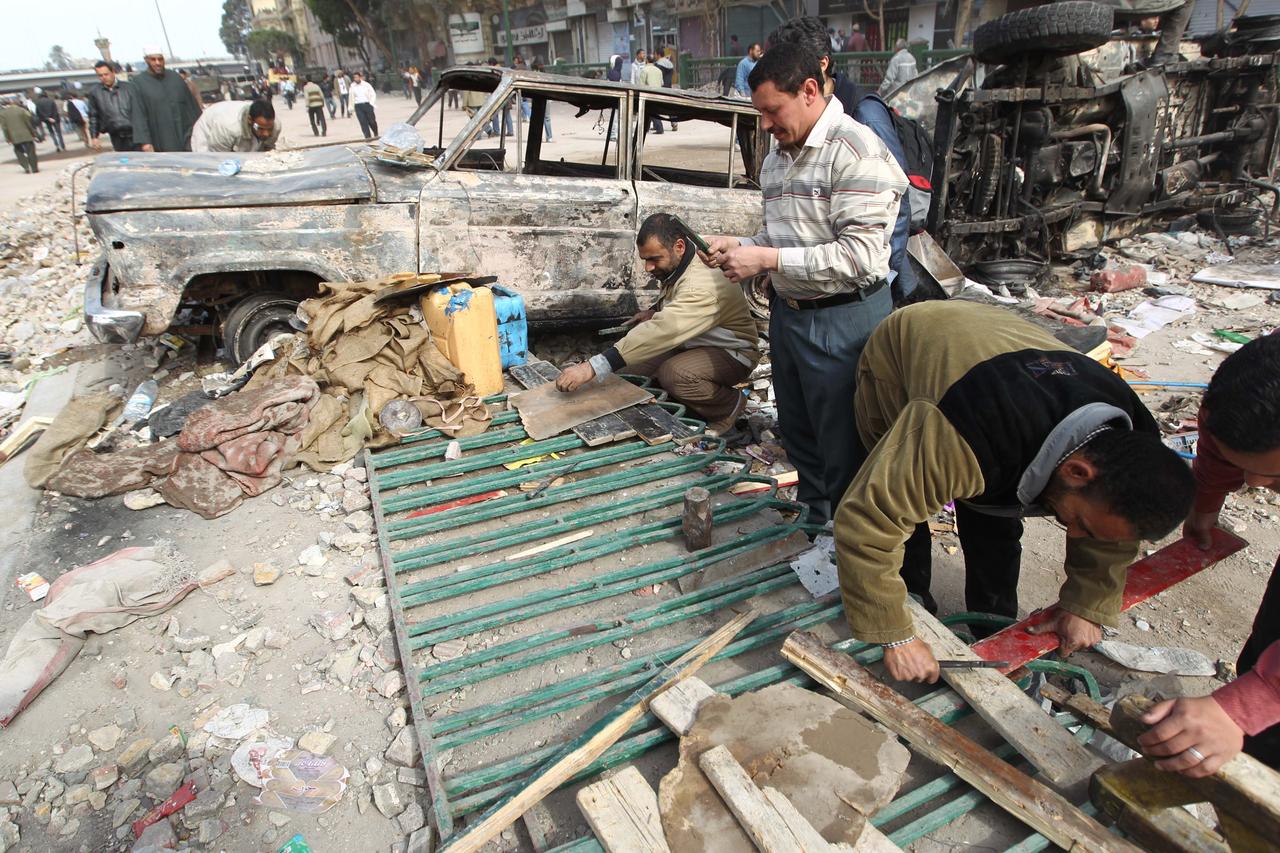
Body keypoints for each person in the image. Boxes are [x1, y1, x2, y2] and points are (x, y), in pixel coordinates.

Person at [836, 300, 1196, 683]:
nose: (1074, 535)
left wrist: (1087, 604)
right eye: (1079, 524)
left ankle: (991, 624)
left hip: (1001, 350)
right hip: (908, 347)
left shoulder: (1132, 435)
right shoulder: (962, 427)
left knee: (996, 513)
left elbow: (1112, 528)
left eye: (1084, 532)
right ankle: (915, 602)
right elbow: (871, 520)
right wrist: (896, 636)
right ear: (1077, 471)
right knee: (905, 504)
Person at [702, 45, 906, 528]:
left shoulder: (856, 151)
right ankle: (817, 527)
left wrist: (765, 258)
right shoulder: (778, 159)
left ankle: (854, 546)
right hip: (791, 314)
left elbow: (858, 257)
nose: (767, 125)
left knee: (846, 443)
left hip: (845, 317)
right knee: (800, 431)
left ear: (809, 91)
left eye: (773, 110)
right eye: (761, 113)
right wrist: (742, 245)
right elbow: (783, 237)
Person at [1137, 333, 1280, 777]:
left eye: (1274, 473)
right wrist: (1206, 504)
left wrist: (1247, 705)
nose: (1255, 484)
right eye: (1247, 467)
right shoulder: (1242, 400)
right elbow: (1221, 443)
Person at [556, 213, 760, 437]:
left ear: (679, 247)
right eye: (645, 259)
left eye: (654, 259)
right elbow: (675, 301)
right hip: (691, 341)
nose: (647, 268)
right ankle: (680, 400)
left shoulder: (701, 285)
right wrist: (654, 311)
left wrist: (592, 367)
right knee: (627, 371)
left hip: (732, 352)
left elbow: (663, 329)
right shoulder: (686, 257)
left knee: (675, 374)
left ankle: (727, 407)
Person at [771, 17, 916, 303]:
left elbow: (896, 208)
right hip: (810, 287)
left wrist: (882, 281)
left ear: (822, 65)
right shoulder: (793, 120)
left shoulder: (863, 118)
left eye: (784, 66)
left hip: (853, 296)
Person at [129, 46, 202, 152]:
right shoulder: (138, 83)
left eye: (160, 59)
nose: (157, 63)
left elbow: (191, 107)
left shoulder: (176, 78)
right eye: (153, 59)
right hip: (161, 139)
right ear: (146, 60)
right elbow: (138, 115)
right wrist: (145, 142)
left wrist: (201, 129)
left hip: (186, 136)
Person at [190, 99, 281, 152]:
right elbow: (218, 157)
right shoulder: (228, 127)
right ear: (250, 120)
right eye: (260, 128)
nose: (266, 133)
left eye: (269, 129)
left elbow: (267, 149)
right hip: (209, 132)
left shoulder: (275, 126)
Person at [88, 60, 137, 151]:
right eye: (100, 75)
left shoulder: (129, 88)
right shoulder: (95, 93)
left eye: (106, 74)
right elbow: (93, 116)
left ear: (113, 72)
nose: (104, 77)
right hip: (116, 136)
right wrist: (94, 136)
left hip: (136, 134)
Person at [1, 96, 38, 173]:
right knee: (31, 151)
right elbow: (28, 122)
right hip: (26, 134)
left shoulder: (3, 113)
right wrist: (33, 133)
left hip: (14, 136)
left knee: (18, 151)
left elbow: (4, 127)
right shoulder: (22, 110)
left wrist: (8, 138)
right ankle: (34, 167)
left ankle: (25, 166)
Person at [639, 54, 665, 135]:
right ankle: (646, 128)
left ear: (647, 60)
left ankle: (660, 128)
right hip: (658, 93)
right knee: (650, 111)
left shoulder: (644, 70)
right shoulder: (659, 71)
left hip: (648, 93)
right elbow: (662, 83)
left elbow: (641, 85)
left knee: (652, 111)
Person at [350, 71, 379, 140]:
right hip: (358, 105)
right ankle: (367, 136)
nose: (356, 79)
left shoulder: (366, 85)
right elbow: (350, 98)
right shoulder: (352, 86)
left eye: (357, 77)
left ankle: (375, 132)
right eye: (354, 78)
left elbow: (373, 94)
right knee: (363, 121)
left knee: (371, 121)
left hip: (367, 104)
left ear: (360, 77)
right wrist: (351, 108)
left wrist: (371, 103)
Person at [531, 60, 553, 141]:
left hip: (538, 97)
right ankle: (549, 136)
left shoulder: (535, 76)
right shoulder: (546, 75)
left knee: (537, 118)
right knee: (547, 118)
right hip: (546, 98)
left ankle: (538, 137)